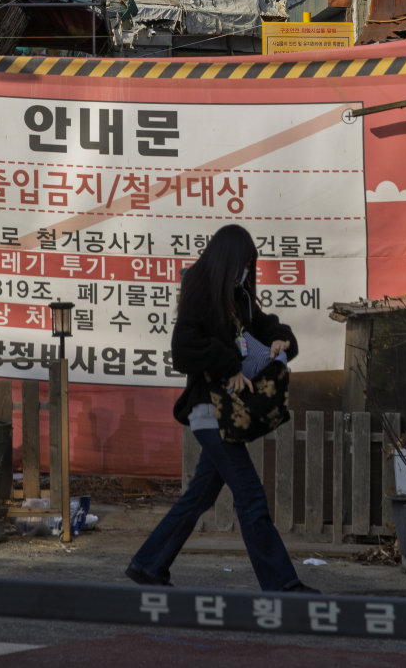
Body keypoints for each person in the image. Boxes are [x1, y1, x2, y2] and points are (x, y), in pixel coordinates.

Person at [126, 223, 313, 591]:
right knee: (251, 497)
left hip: (223, 413)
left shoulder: (239, 296)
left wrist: (281, 340)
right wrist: (229, 366)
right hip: (209, 409)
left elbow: (264, 325)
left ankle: (148, 564)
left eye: (250, 265)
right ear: (229, 260)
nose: (247, 270)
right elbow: (183, 348)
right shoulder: (200, 288)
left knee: (199, 496)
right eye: (243, 263)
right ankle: (283, 586)